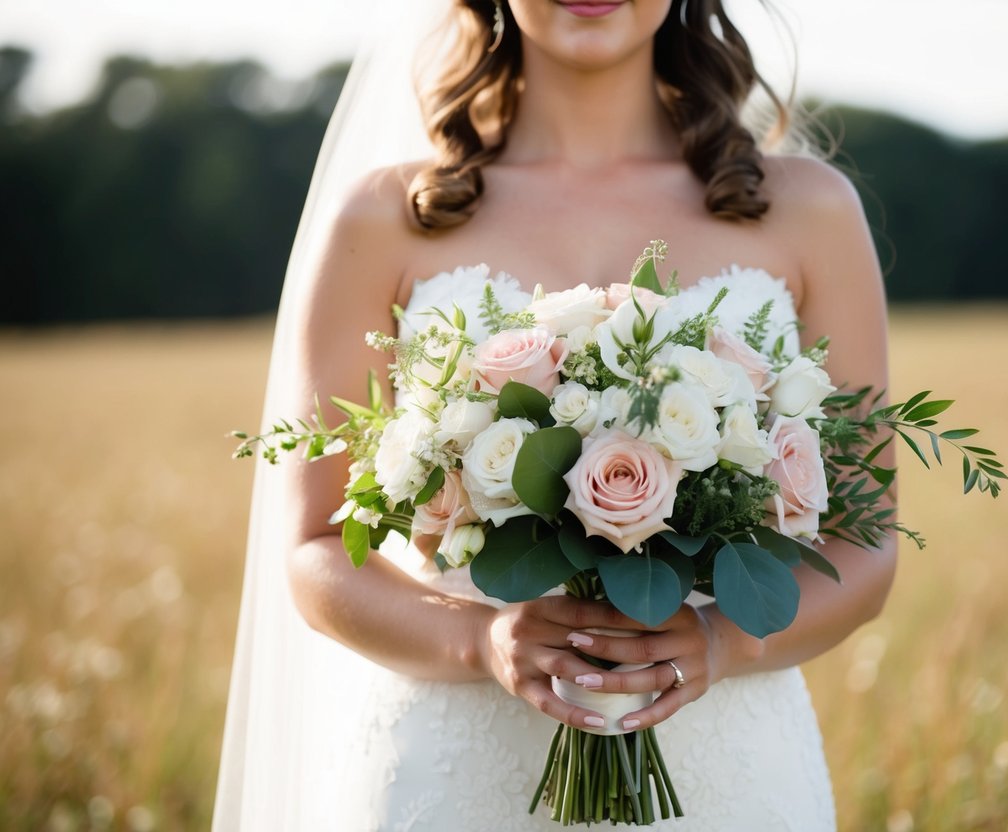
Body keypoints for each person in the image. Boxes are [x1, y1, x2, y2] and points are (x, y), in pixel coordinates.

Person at [213, 1, 896, 829]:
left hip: (728, 761)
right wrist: (478, 640)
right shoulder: (386, 216)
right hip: (454, 766)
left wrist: (721, 644)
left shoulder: (806, 207)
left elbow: (865, 542)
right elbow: (316, 548)